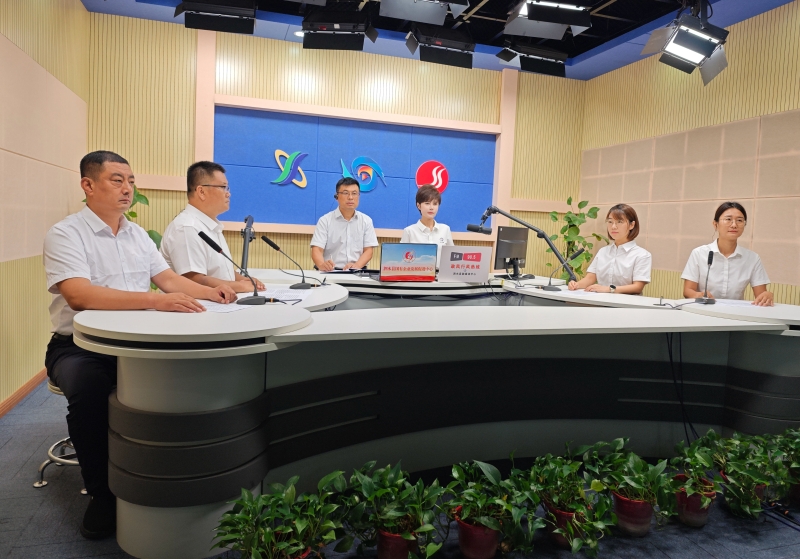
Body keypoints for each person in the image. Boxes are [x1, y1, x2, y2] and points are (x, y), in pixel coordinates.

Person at [43, 151, 237, 540]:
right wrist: (154, 300)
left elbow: (168, 279)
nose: (127, 188)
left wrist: (212, 291)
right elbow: (79, 295)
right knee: (89, 389)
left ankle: (166, 481)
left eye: (131, 181)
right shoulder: (66, 233)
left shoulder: (136, 235)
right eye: (117, 180)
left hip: (136, 344)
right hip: (80, 346)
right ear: (88, 185)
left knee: (184, 382)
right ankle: (102, 494)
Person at [160, 161, 265, 292]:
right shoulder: (187, 228)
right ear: (201, 191)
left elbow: (221, 271)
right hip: (198, 304)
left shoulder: (211, 225)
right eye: (223, 187)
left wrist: (244, 280)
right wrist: (240, 286)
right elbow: (193, 280)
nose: (228, 193)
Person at [682, 201, 773, 306]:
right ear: (715, 224)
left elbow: (760, 295)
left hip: (735, 312)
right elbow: (687, 291)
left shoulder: (752, 258)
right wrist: (699, 295)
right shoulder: (699, 253)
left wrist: (767, 295)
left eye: (739, 220)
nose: (734, 225)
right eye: (728, 219)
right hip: (703, 309)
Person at [568, 203, 651, 295]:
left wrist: (608, 289)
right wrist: (576, 285)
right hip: (600, 301)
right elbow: (590, 278)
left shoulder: (642, 255)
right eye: (610, 222)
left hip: (626, 303)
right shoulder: (603, 251)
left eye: (619, 222)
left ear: (632, 225)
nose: (613, 227)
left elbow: (637, 287)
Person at [310, 177, 378, 271]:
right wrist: (322, 265)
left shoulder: (366, 221)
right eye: (346, 193)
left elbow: (368, 251)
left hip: (357, 272)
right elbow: (317, 249)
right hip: (331, 271)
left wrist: (357, 266)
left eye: (354, 193)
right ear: (337, 196)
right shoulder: (325, 220)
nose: (350, 197)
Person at [400, 184, 454, 266]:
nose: (431, 207)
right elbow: (402, 261)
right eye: (427, 203)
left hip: (440, 273)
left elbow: (452, 257)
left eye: (435, 204)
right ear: (418, 206)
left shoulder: (445, 229)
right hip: (416, 273)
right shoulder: (409, 231)